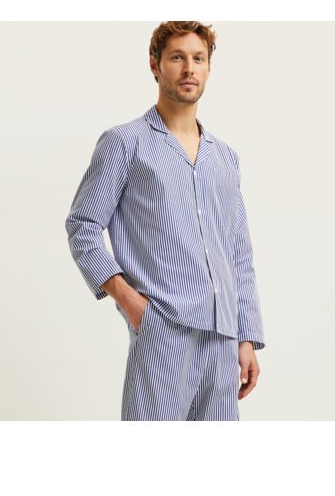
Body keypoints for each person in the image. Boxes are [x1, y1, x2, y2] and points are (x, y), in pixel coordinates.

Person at [65, 21, 266, 421]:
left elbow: (238, 251)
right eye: (177, 57)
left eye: (198, 58)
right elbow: (82, 225)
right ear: (155, 65)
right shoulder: (125, 143)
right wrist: (130, 302)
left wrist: (246, 336)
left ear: (208, 68)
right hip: (163, 330)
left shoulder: (225, 157)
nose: (189, 68)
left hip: (223, 338)